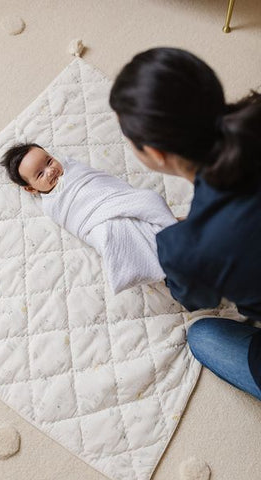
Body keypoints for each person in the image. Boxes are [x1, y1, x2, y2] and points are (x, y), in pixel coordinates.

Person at [109, 47, 261, 400]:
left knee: (203, 336)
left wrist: (181, 251)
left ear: (157, 153)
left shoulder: (185, 248)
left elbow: (194, 297)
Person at [0, 143, 177, 294]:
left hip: (115, 200)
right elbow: (75, 217)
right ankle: (169, 270)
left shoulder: (73, 168)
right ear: (31, 189)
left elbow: (100, 182)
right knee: (112, 235)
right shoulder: (52, 204)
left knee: (149, 199)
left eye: (49, 161)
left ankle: (172, 243)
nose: (50, 171)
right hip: (95, 220)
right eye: (40, 174)